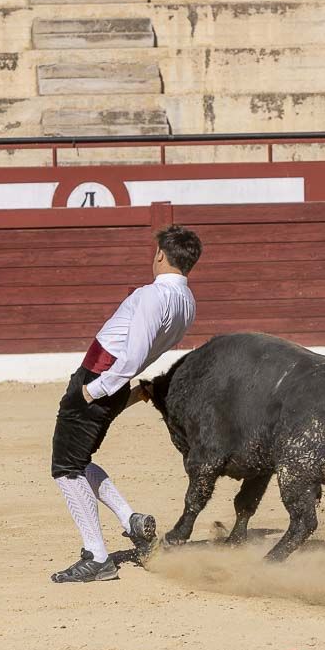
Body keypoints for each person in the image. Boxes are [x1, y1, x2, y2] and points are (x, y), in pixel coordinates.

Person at [49, 224, 203, 583]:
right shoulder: (188, 303)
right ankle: (130, 521)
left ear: (161, 255)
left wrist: (95, 390)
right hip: (116, 383)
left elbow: (131, 356)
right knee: (79, 460)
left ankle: (97, 557)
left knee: (65, 469)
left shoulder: (153, 295)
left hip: (100, 378)